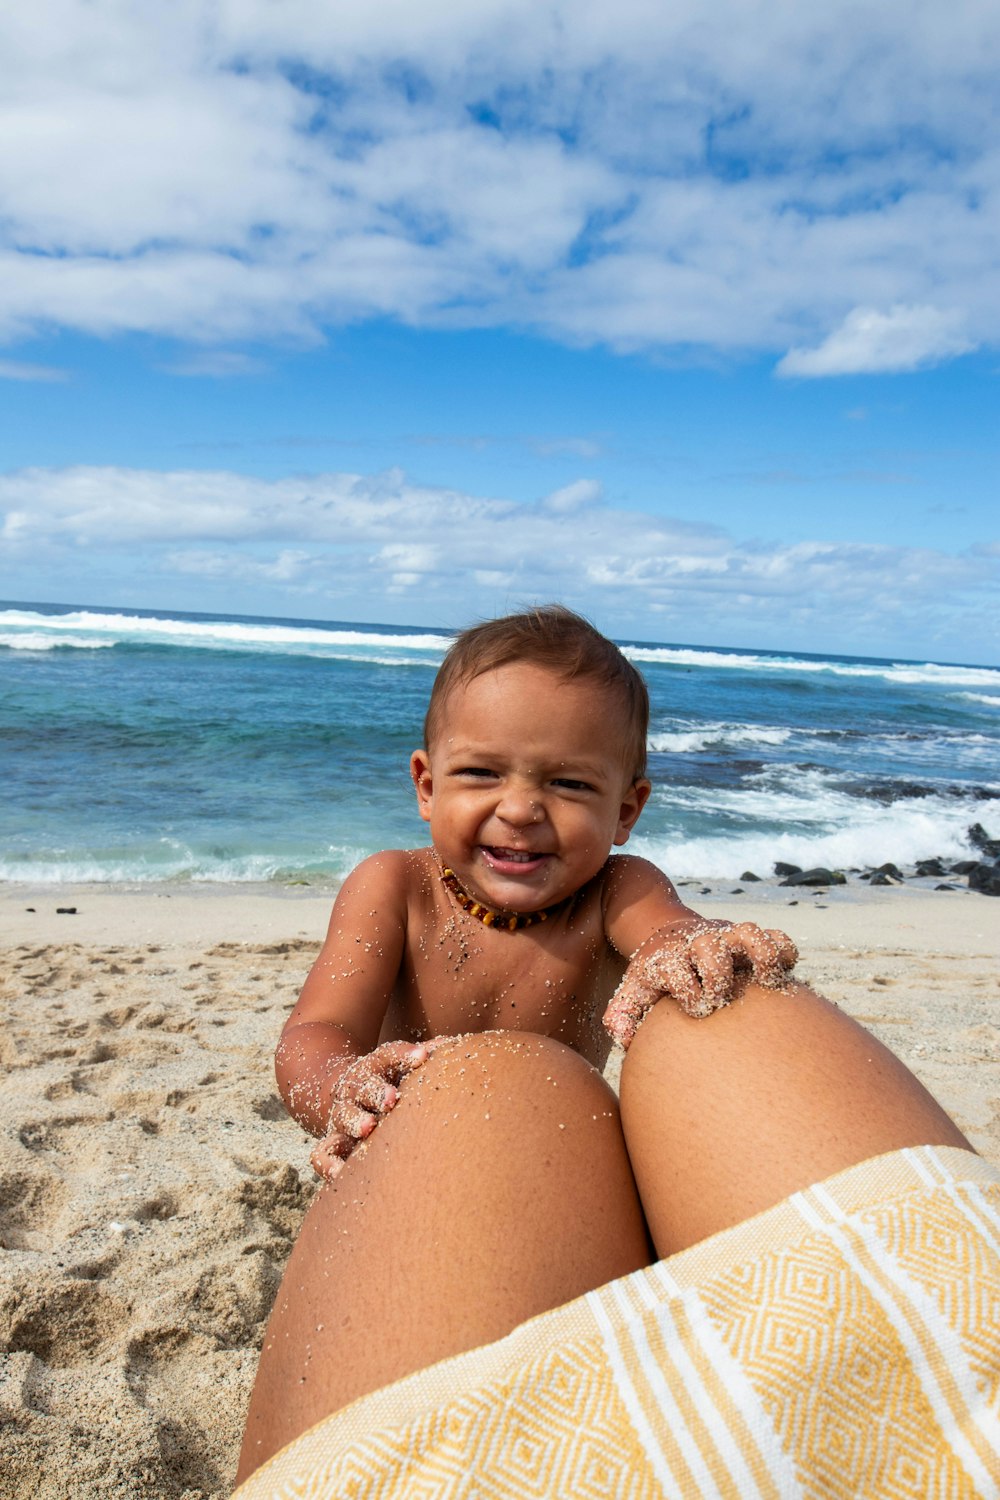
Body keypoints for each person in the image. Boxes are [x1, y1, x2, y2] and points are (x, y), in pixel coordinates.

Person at [273, 605, 797, 1182]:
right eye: (480, 773)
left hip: (558, 1164)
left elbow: (667, 931)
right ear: (427, 786)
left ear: (625, 811)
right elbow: (316, 1034)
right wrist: (338, 1089)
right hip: (410, 1149)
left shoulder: (616, 891)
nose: (519, 809)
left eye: (569, 783)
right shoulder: (395, 887)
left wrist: (691, 946)